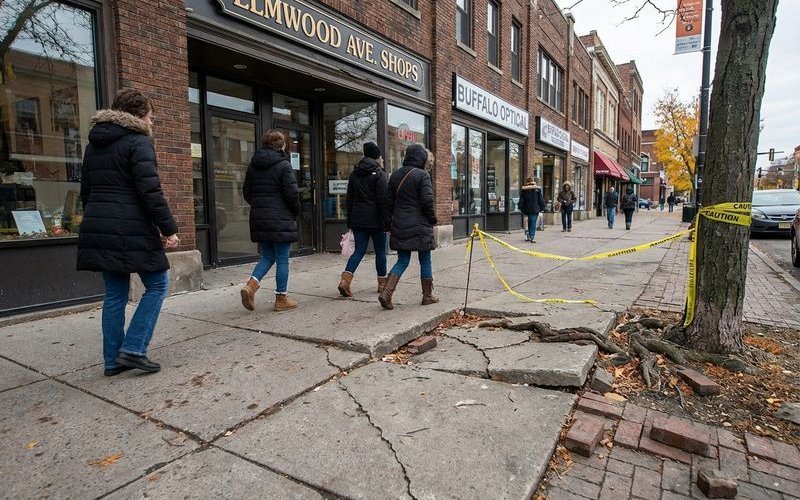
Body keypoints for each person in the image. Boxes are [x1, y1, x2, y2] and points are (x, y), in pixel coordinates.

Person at [78, 89, 179, 376]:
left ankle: (112, 360)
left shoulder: (93, 145)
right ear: (137, 116)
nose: (152, 122)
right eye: (150, 117)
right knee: (158, 284)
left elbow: (86, 192)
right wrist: (168, 228)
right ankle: (134, 348)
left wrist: (98, 219)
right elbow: (150, 191)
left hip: (99, 226)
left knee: (114, 295)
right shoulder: (138, 142)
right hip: (130, 226)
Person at [240, 129, 300, 312]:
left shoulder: (253, 165)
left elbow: (247, 192)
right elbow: (292, 194)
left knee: (267, 256)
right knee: (282, 259)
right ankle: (281, 298)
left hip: (260, 218)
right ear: (281, 145)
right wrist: (295, 211)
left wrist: (260, 206)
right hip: (281, 218)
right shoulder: (284, 165)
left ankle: (251, 285)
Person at [379, 144, 437, 310]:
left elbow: (387, 203)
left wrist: (388, 224)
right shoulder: (422, 175)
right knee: (425, 259)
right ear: (421, 158)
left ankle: (386, 293)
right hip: (420, 225)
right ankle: (427, 296)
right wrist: (432, 219)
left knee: (402, 260)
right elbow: (427, 201)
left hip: (399, 223)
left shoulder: (395, 175)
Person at [337, 142, 389, 297]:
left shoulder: (354, 174)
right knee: (380, 252)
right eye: (380, 156)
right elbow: (383, 200)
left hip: (358, 219)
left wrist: (350, 221)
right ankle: (382, 285)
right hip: (376, 220)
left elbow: (349, 199)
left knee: (359, 251)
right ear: (376, 157)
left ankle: (345, 281)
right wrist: (388, 222)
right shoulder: (379, 174)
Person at [518, 177, 544, 243]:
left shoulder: (524, 190)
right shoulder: (537, 190)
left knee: (528, 222)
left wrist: (521, 208)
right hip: (535, 209)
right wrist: (542, 208)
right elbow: (540, 200)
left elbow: (521, 201)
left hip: (527, 209)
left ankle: (529, 235)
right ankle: (531, 236)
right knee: (533, 223)